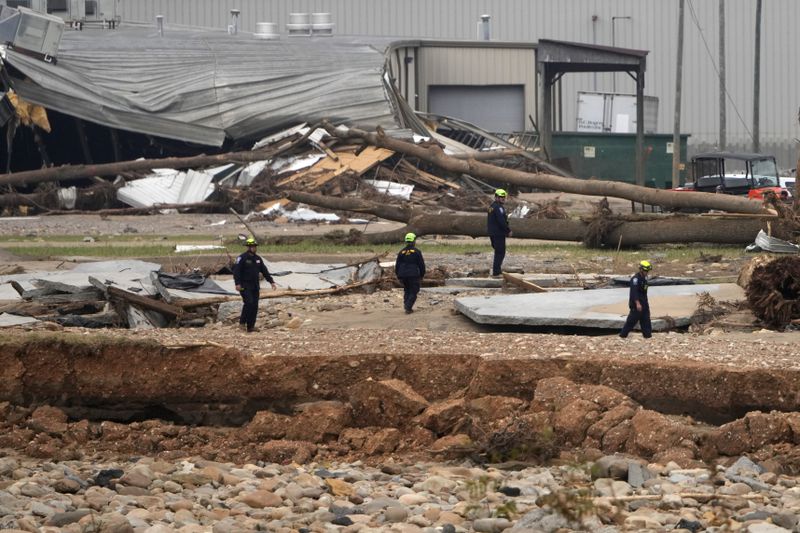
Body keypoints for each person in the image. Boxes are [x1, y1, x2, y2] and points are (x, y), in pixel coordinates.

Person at [233, 237, 277, 332]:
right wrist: (237, 283)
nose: (254, 248)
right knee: (249, 303)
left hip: (255, 286)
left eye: (255, 246)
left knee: (255, 306)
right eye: (252, 246)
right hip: (244, 285)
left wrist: (271, 281)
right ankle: (242, 323)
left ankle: (251, 327)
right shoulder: (242, 258)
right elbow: (236, 271)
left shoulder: (258, 259)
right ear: (248, 247)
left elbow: (264, 271)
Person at [619, 260, 653, 339]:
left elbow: (644, 291)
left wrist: (645, 303)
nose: (647, 272)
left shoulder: (644, 279)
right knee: (631, 321)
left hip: (644, 303)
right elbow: (634, 292)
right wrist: (637, 303)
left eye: (647, 271)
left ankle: (648, 336)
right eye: (645, 270)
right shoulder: (635, 279)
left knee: (646, 320)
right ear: (641, 269)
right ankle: (623, 335)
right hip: (636, 304)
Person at [395, 232, 426, 314]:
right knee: (414, 290)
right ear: (414, 241)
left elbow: (397, 265)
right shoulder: (416, 252)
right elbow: (421, 264)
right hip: (413, 274)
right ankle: (408, 307)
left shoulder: (401, 252)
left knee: (407, 290)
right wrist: (422, 275)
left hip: (402, 274)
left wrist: (398, 276)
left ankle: (406, 304)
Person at [487, 188, 512, 277]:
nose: (502, 198)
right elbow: (501, 221)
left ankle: (496, 270)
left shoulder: (492, 206)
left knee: (498, 251)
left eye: (504, 197)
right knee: (500, 252)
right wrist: (508, 230)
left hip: (492, 233)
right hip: (498, 233)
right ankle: (496, 272)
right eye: (501, 197)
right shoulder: (498, 208)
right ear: (496, 197)